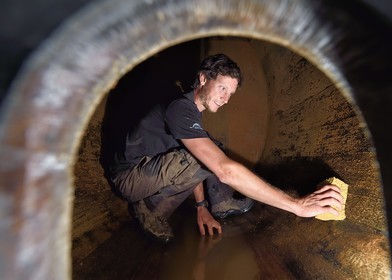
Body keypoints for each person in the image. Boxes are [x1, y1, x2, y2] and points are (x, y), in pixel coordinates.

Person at [108, 53, 343, 244]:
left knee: (209, 149)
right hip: (130, 177)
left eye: (230, 94)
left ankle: (219, 202)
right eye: (222, 88)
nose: (226, 99)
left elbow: (194, 162)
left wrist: (202, 207)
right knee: (212, 157)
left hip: (147, 170)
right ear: (203, 79)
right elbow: (222, 169)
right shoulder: (180, 108)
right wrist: (297, 206)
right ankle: (149, 211)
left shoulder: (188, 113)